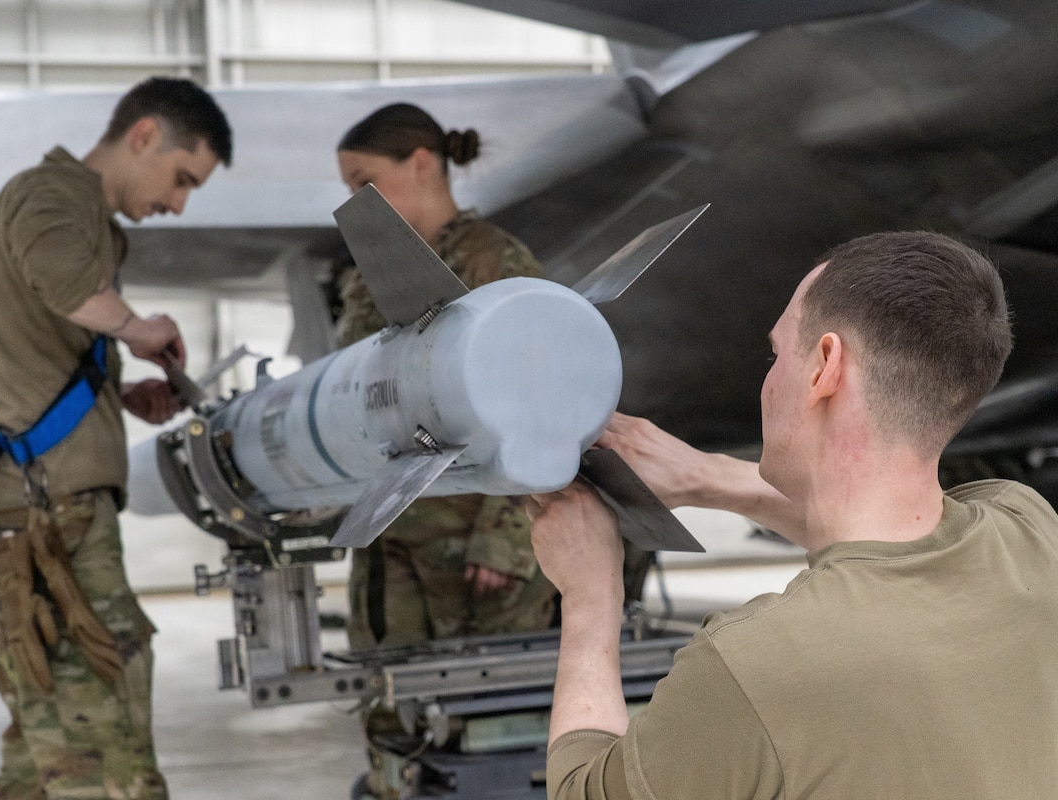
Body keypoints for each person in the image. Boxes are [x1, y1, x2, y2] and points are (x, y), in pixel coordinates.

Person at [529, 230, 1058, 798]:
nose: (769, 377)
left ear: (825, 366)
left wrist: (589, 595)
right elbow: (898, 534)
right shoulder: (1029, 530)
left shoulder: (750, 668)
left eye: (777, 353)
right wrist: (704, 478)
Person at [0, 76, 232, 800]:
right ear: (143, 136)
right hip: (40, 519)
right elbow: (58, 281)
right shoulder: (49, 196)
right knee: (104, 739)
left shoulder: (82, 218)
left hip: (42, 512)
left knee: (46, 745)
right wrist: (140, 329)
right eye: (181, 178)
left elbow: (50, 340)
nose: (177, 203)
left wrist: (121, 392)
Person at [334, 102, 558, 649]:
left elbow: (544, 404)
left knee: (487, 712)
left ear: (421, 164)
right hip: (393, 543)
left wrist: (505, 540)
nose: (354, 202)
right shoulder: (367, 280)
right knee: (392, 708)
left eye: (365, 182)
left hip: (473, 558)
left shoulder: (495, 264)